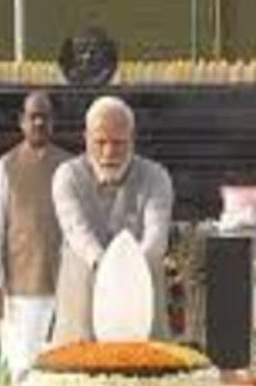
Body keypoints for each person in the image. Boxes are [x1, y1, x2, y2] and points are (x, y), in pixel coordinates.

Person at [51, 95, 174, 344]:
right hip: (80, 311)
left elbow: (157, 236)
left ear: (132, 139)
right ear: (85, 139)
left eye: (119, 143)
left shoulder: (156, 176)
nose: (109, 152)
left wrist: (131, 270)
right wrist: (108, 268)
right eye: (100, 142)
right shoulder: (67, 176)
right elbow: (77, 231)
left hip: (141, 307)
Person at [0, 91, 71, 382]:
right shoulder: (5, 167)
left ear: (53, 122)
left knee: (62, 373)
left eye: (44, 116)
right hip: (20, 291)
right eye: (32, 116)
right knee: (23, 371)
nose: (38, 122)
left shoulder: (71, 167)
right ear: (21, 122)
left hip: (66, 288)